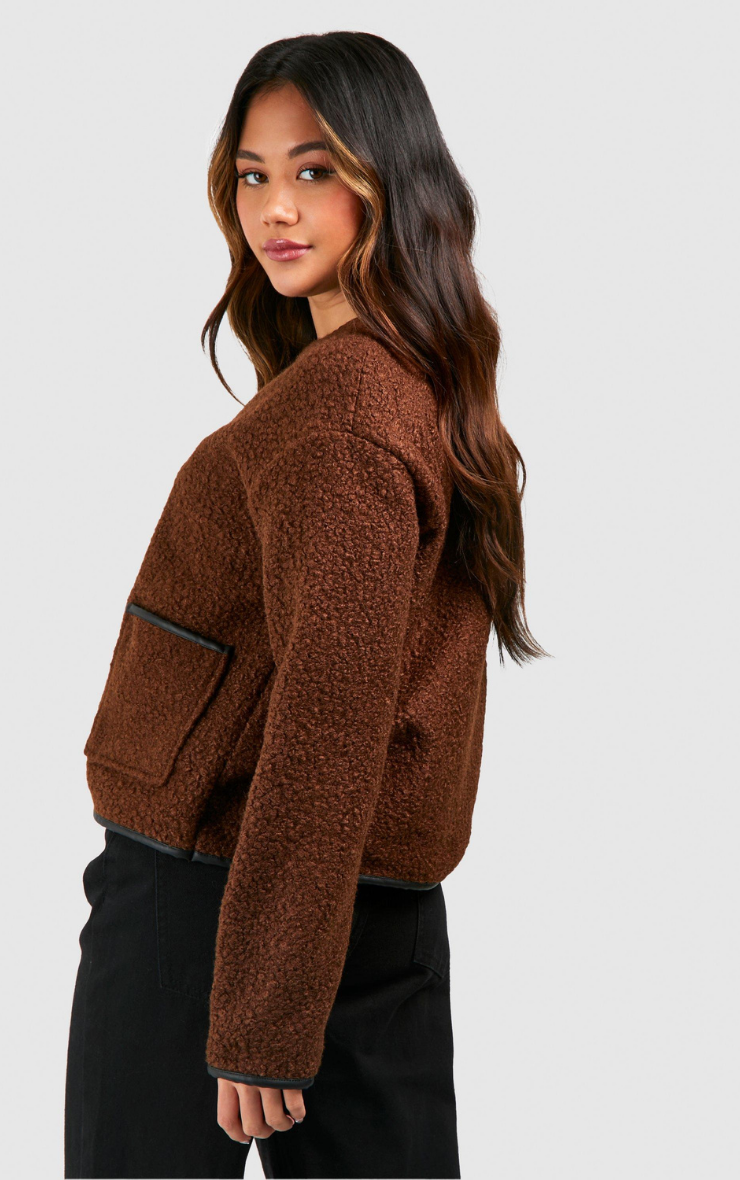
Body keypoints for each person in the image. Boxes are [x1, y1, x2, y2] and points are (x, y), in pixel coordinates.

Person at [64, 30, 548, 1180]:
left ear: (389, 177)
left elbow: (326, 723)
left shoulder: (337, 413)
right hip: (362, 909)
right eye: (252, 173)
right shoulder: (413, 383)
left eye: (314, 169)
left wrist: (264, 1016)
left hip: (215, 903)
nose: (274, 208)